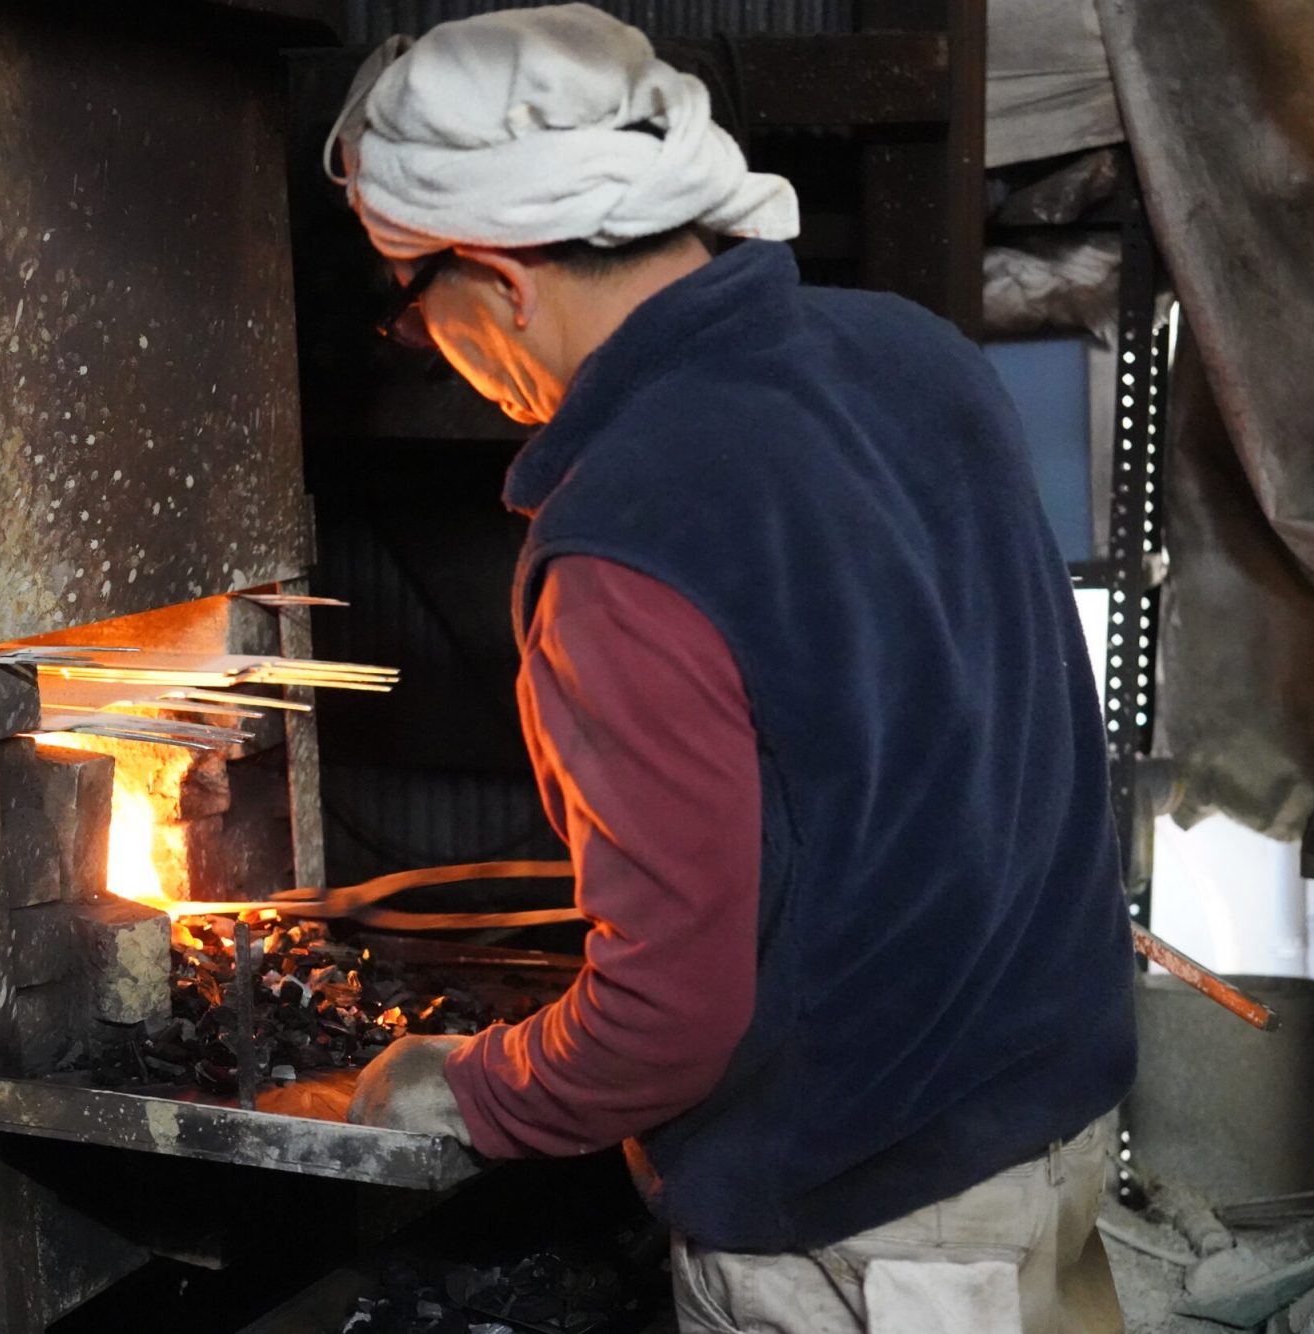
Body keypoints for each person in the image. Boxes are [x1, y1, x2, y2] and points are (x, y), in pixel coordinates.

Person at [328, 8, 1137, 1331]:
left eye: (420, 310)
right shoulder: (917, 355)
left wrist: (472, 1083)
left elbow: (666, 1016)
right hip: (1050, 1139)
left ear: (504, 282)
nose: (441, 352)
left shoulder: (622, 546)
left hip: (869, 1234)